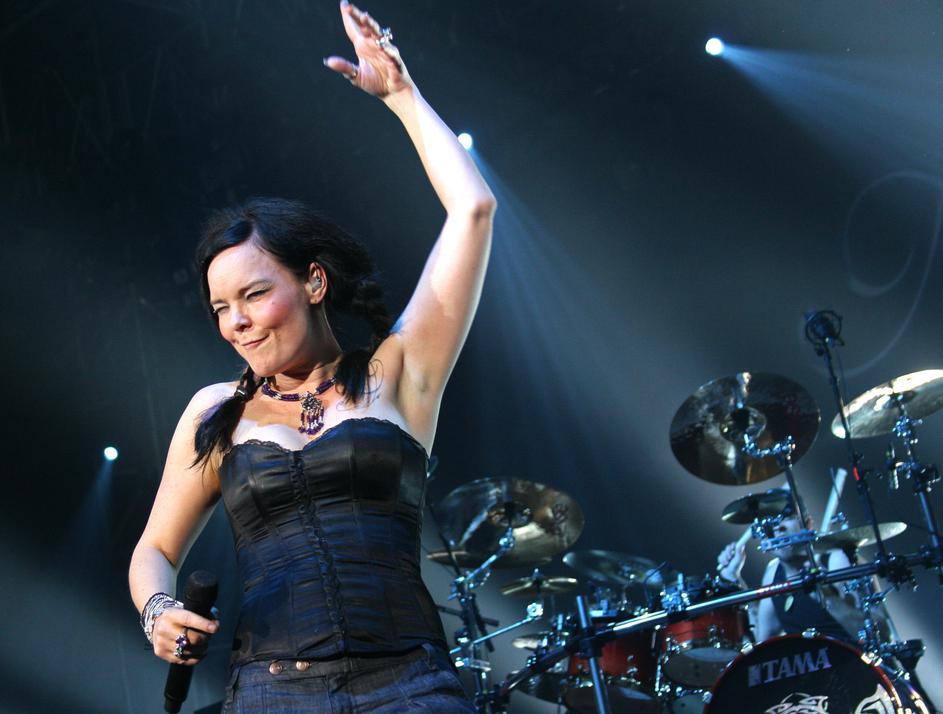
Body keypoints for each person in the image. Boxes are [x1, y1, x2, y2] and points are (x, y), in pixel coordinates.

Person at [128, 2, 494, 711]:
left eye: (253, 295)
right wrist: (158, 611)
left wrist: (401, 96)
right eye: (220, 309)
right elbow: (154, 550)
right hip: (271, 692)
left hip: (411, 688)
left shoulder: (397, 375)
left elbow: (473, 210)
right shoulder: (216, 412)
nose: (236, 322)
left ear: (314, 283)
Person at [716, 492, 864, 644]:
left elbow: (874, 631)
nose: (778, 527)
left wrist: (828, 597)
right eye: (771, 521)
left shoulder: (837, 560)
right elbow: (763, 641)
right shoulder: (773, 573)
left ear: (808, 523)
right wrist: (734, 577)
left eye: (786, 518)